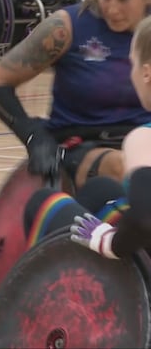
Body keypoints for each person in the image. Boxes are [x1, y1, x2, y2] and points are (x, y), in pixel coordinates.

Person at [0, 0, 151, 191]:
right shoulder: (66, 27)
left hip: (142, 142)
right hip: (80, 147)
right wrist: (33, 136)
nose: (112, 8)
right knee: (125, 167)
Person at [67, 14, 151, 259]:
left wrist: (109, 243)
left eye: (132, 63)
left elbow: (145, 218)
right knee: (101, 189)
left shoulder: (143, 138)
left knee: (43, 204)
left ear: (147, 72)